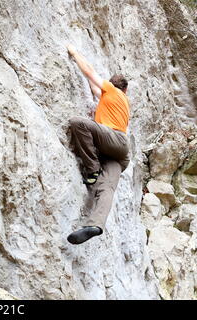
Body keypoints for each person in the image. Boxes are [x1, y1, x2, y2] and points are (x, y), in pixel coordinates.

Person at [65, 44, 130, 245]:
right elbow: (95, 88)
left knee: (78, 123)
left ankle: (92, 171)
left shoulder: (111, 90)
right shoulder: (121, 100)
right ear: (126, 89)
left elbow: (91, 73)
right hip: (120, 154)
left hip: (113, 139)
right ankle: (95, 225)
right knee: (107, 188)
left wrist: (75, 52)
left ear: (112, 85)